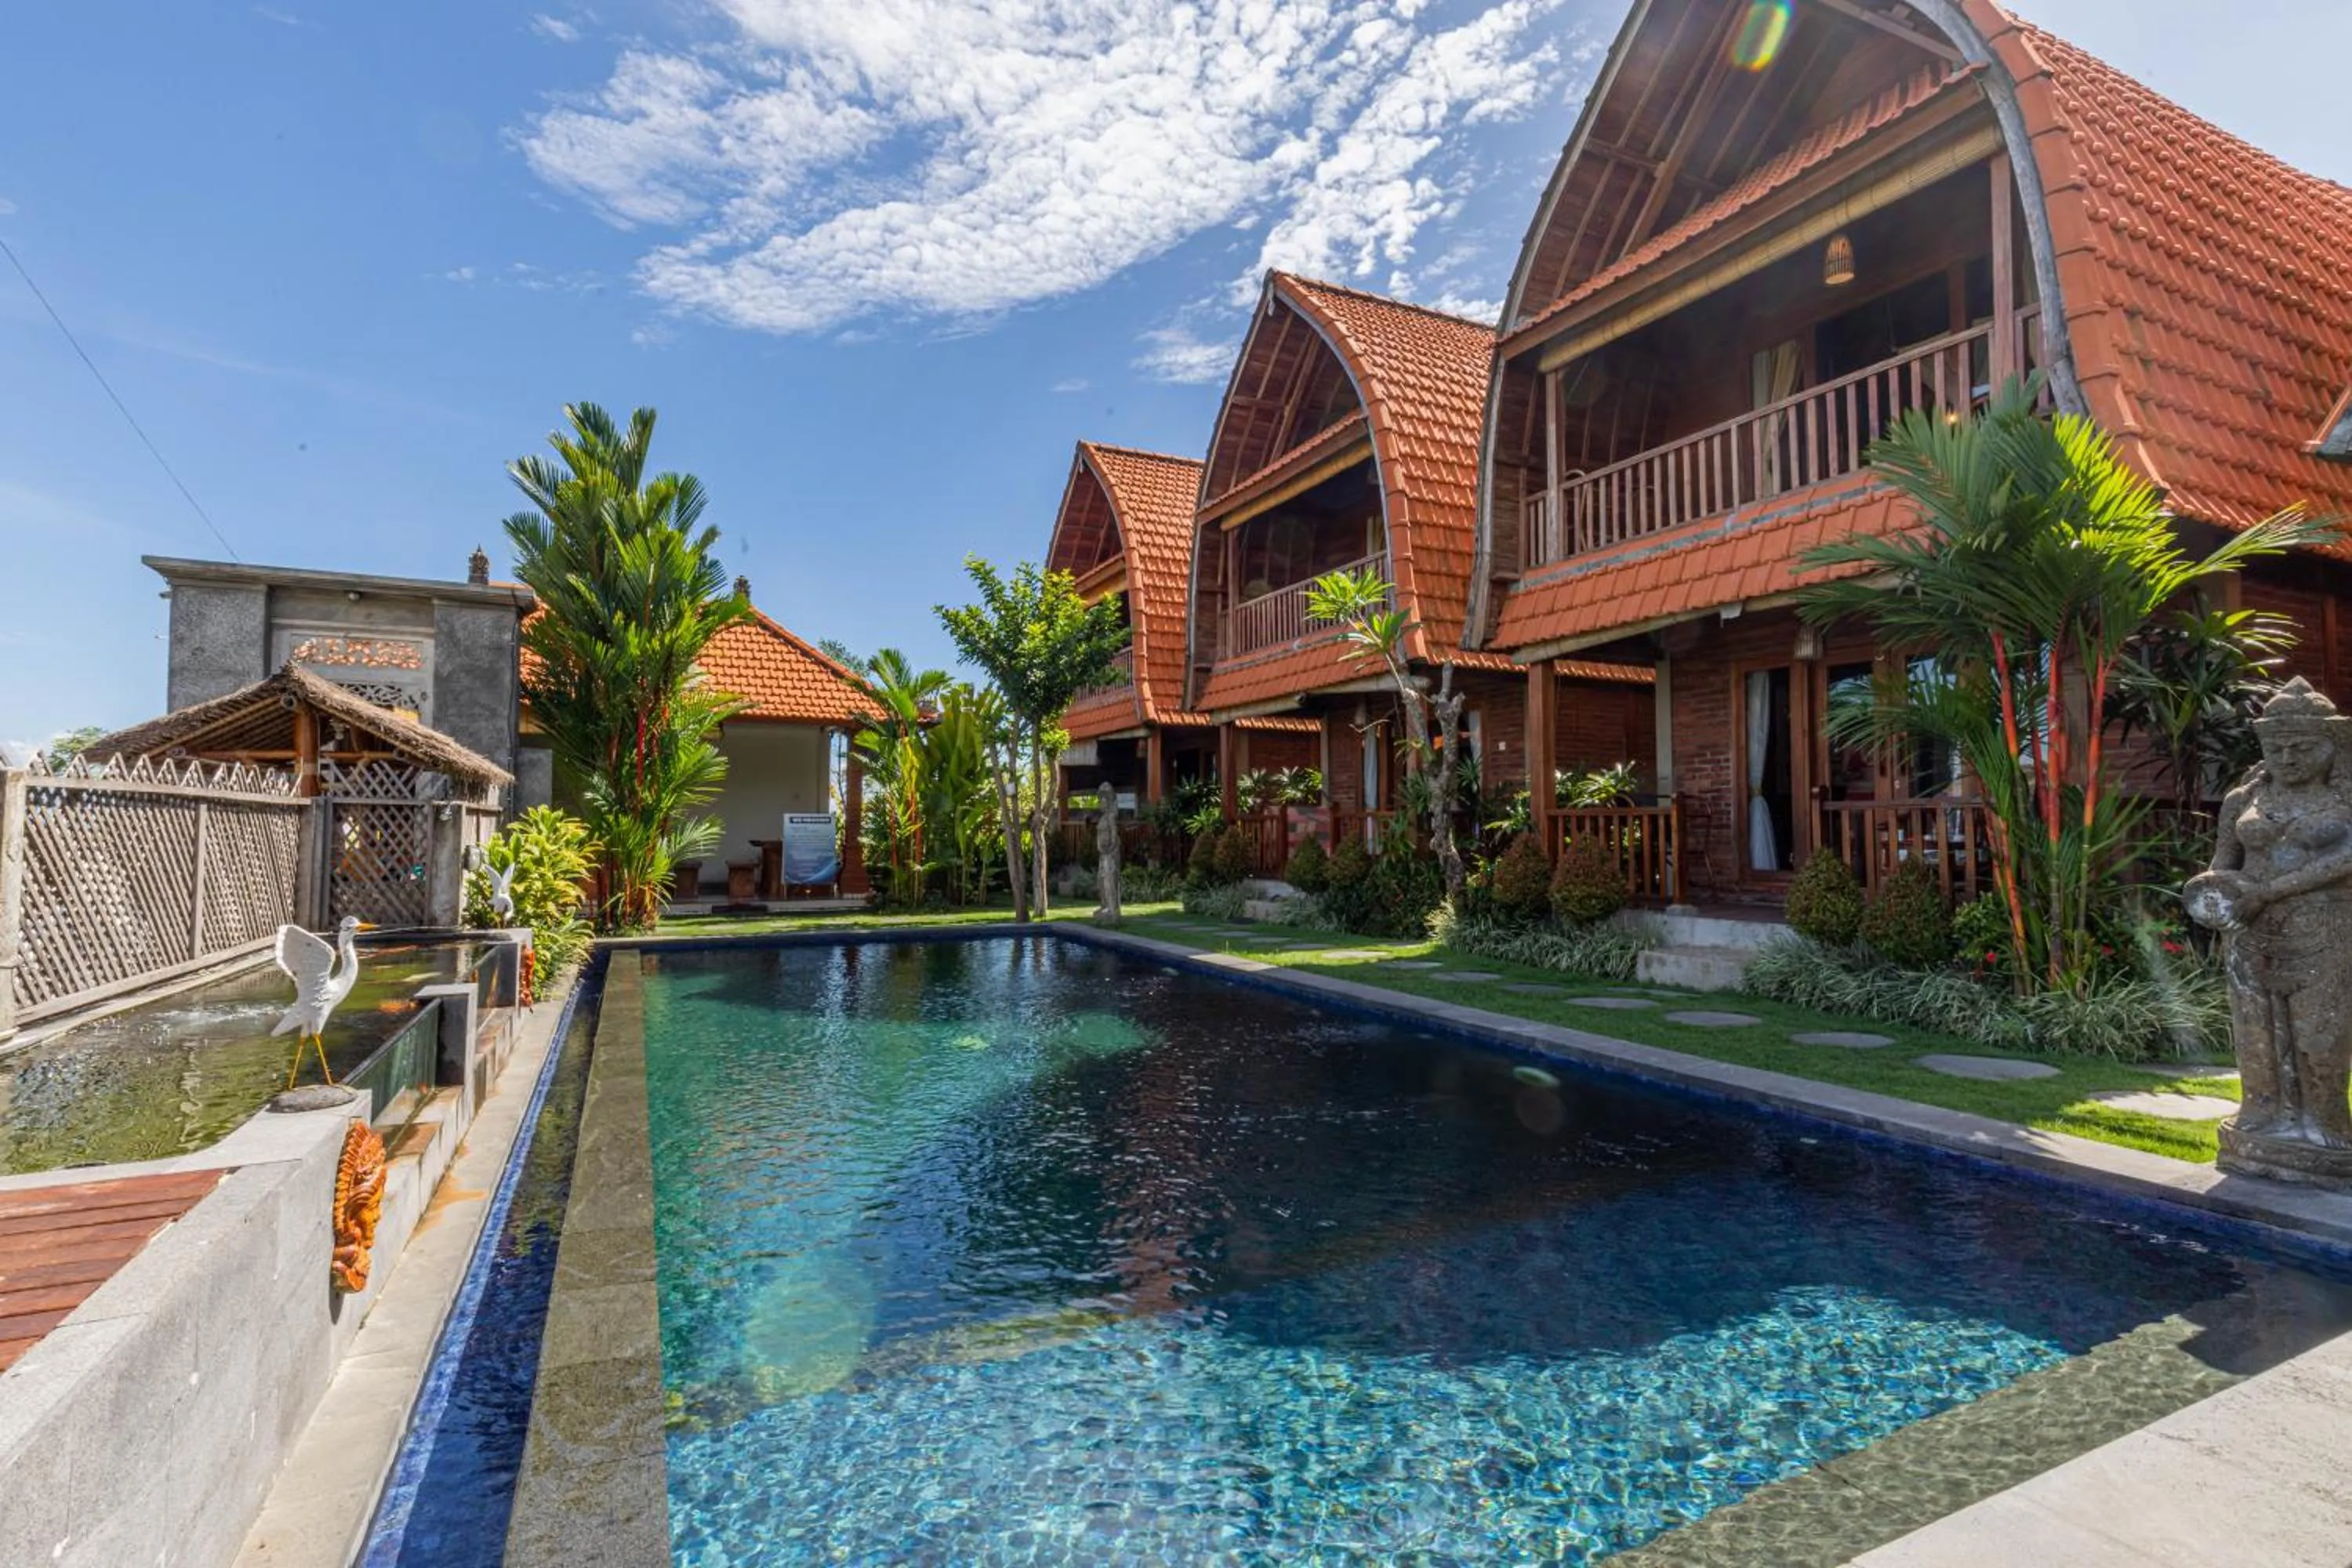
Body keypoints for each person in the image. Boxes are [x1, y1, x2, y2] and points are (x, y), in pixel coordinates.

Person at [2185, 678, 2352, 1178]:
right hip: (2249, 929)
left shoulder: (2344, 800)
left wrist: (2272, 891)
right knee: (2256, 1032)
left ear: (2332, 746)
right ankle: (2260, 1115)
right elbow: (2224, 861)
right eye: (2278, 748)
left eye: (2303, 747)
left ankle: (2325, 1119)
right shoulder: (2243, 800)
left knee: (2320, 1031)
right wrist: (2211, 889)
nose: (2289, 757)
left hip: (2324, 926)